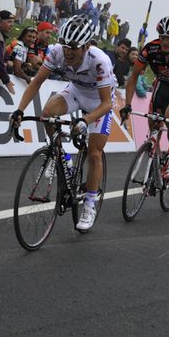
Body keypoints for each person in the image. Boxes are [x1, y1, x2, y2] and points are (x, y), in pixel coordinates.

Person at [11, 14, 114, 231]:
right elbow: (37, 82)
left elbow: (106, 104)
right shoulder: (57, 52)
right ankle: (60, 154)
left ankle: (89, 203)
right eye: (65, 45)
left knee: (94, 153)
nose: (68, 51)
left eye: (73, 47)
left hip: (98, 103)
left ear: (86, 46)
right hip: (76, 92)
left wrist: (85, 120)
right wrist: (19, 110)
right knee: (47, 112)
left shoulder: (100, 61)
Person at [120, 16, 169, 180]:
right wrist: (127, 105)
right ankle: (154, 156)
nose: (165, 42)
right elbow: (133, 77)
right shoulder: (150, 49)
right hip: (161, 87)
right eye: (162, 38)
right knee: (154, 126)